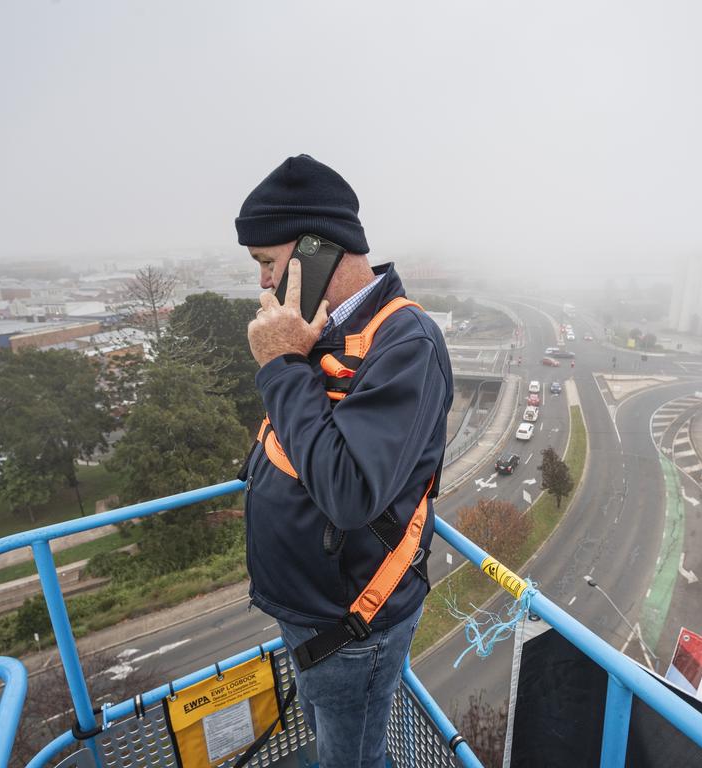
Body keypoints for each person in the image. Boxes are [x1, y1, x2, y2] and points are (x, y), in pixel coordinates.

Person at [235, 154, 453, 767]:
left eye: (268, 264)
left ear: (313, 253)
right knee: (331, 736)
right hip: (310, 610)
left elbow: (351, 492)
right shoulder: (324, 333)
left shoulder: (405, 343)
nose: (262, 284)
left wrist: (280, 366)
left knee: (351, 757)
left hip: (353, 625)